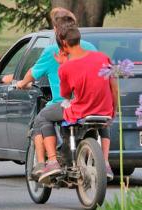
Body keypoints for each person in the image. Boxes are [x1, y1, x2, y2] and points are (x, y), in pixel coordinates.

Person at [2, 8, 97, 178]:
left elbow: (32, 73)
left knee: (42, 118)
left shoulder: (52, 51)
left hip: (66, 105)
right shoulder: (91, 47)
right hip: (92, 103)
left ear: (56, 30)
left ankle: (50, 161)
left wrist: (22, 83)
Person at [37, 25, 118, 183]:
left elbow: (65, 95)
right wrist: (113, 110)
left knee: (43, 116)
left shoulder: (66, 67)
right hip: (104, 110)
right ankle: (105, 162)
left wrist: (63, 65)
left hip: (80, 111)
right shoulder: (103, 58)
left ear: (64, 44)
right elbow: (114, 88)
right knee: (103, 121)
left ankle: (52, 161)